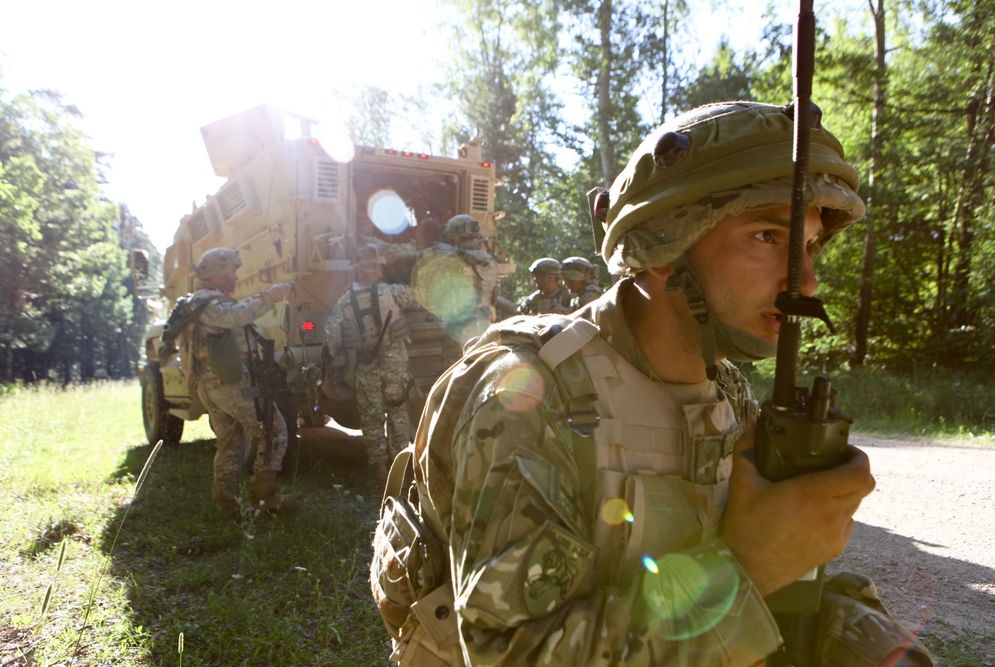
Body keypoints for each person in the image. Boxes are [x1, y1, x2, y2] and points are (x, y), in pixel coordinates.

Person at [372, 102, 932, 666]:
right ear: (664, 248)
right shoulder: (529, 394)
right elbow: (511, 653)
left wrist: (872, 646)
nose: (805, 280)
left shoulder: (727, 395)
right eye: (768, 237)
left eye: (809, 247)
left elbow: (775, 594)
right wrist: (746, 570)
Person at [182, 247, 295, 515]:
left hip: (212, 387)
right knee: (274, 430)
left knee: (230, 443)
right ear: (219, 274)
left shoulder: (199, 303)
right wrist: (271, 296)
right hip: (228, 385)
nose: (236, 276)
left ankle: (226, 504)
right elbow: (237, 315)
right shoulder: (208, 303)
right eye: (233, 271)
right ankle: (265, 499)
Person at [326, 244, 418, 485]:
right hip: (394, 361)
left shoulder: (345, 300)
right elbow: (420, 297)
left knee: (371, 415)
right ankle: (402, 465)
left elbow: (333, 334)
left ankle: (379, 469)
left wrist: (340, 354)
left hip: (364, 364)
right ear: (379, 266)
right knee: (397, 410)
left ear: (357, 269)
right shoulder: (393, 292)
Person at [413, 214, 500, 367]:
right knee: (481, 367)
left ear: (457, 237)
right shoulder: (489, 260)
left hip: (460, 327)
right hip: (485, 322)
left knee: (454, 370)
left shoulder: (451, 260)